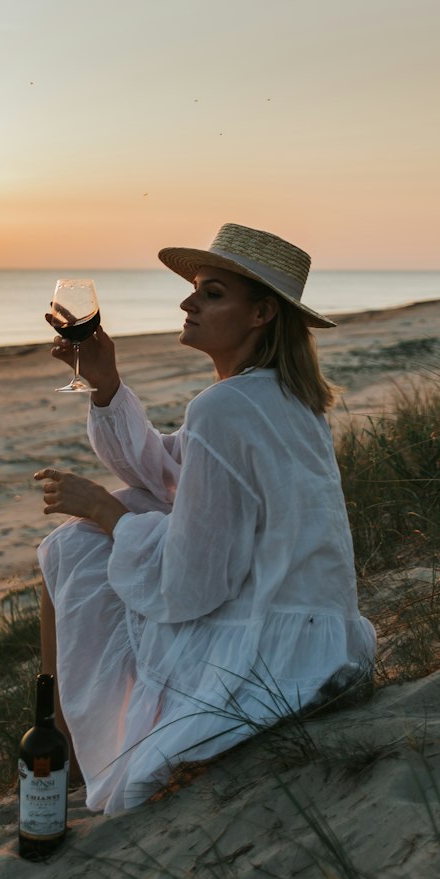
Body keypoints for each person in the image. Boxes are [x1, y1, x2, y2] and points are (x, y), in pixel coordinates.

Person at [34, 223, 377, 814]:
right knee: (113, 525)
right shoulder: (282, 398)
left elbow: (192, 583)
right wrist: (106, 384)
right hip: (324, 636)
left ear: (262, 314)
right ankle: (57, 738)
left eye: (212, 292)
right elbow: (170, 473)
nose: (188, 302)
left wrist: (105, 511)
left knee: (78, 547)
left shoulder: (225, 406)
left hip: (269, 642)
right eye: (195, 289)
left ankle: (55, 744)